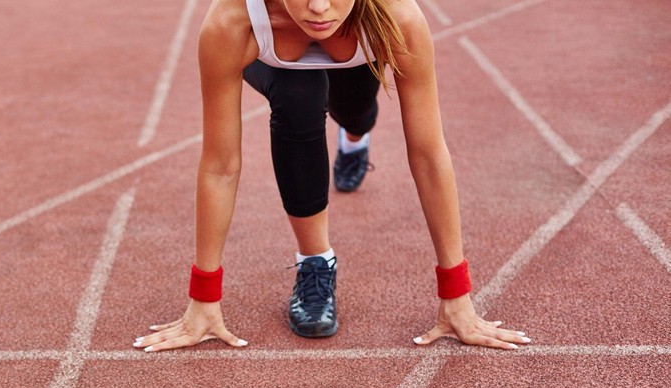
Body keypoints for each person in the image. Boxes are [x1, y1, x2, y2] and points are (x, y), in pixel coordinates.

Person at [133, 0, 529, 352]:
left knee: (355, 112)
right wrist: (203, 299)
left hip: (358, 49)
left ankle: (355, 136)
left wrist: (456, 295)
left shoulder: (400, 18)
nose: (319, 7)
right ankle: (315, 261)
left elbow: (427, 155)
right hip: (277, 62)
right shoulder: (234, 21)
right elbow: (220, 165)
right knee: (299, 98)